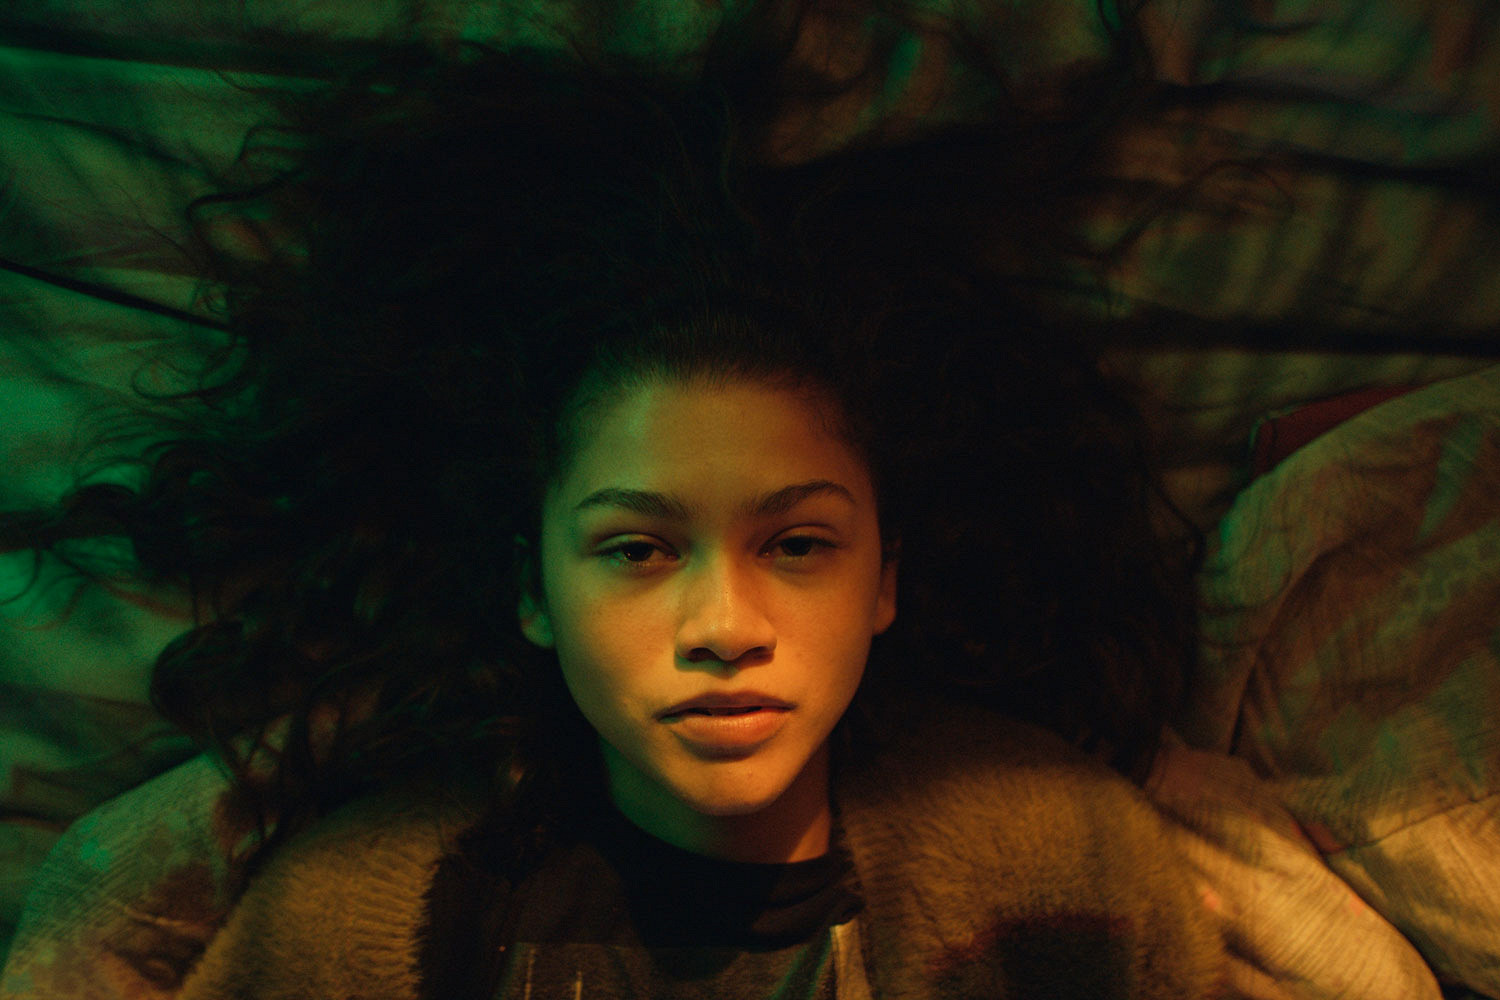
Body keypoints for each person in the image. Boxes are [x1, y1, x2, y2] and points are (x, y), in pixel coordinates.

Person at [1, 6, 1224, 997]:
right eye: (639, 548)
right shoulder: (361, 915)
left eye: (798, 544)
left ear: (885, 580)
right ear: (532, 591)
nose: (724, 625)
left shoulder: (1062, 869)